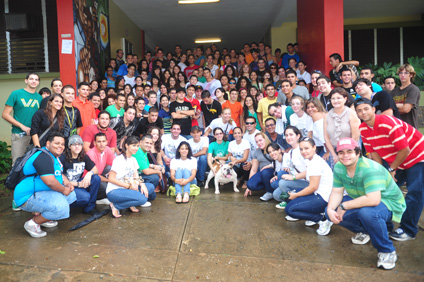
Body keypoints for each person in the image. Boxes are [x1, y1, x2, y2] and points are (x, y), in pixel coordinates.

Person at [326, 138, 406, 270]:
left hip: (388, 202)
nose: (345, 156)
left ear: (358, 153)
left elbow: (374, 200)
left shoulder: (369, 169)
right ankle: (368, 230)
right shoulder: (339, 167)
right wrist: (330, 209)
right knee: (331, 213)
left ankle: (387, 250)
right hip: (362, 199)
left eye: (349, 151)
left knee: (368, 214)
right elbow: (336, 192)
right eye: (341, 152)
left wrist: (343, 206)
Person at [355, 98, 424, 242]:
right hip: (397, 160)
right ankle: (386, 225)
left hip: (417, 156)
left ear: (373, 109)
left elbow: (405, 149)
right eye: (359, 110)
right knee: (384, 190)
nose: (363, 112)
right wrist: (383, 173)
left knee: (414, 193)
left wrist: (392, 169)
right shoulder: (363, 129)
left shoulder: (388, 122)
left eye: (366, 108)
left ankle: (408, 229)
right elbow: (374, 153)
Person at [13, 132, 76, 238]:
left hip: (40, 192)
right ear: (48, 144)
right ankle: (32, 224)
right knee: (61, 207)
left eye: (62, 144)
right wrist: (64, 190)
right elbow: (50, 181)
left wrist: (67, 183)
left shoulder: (53, 156)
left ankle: (45, 217)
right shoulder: (43, 157)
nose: (60, 146)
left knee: (71, 195)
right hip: (26, 196)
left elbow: (59, 174)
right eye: (57, 143)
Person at [284, 137, 334, 236]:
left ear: (314, 148)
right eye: (301, 149)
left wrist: (296, 195)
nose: (303, 151)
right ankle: (313, 215)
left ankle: (322, 220)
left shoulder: (316, 162)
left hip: (323, 198)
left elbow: (313, 187)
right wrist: (293, 177)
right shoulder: (311, 159)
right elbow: (308, 172)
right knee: (286, 196)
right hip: (317, 193)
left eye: (306, 148)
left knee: (290, 209)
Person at [107, 136, 156, 218]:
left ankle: (130, 201)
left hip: (128, 189)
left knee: (150, 187)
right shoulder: (118, 159)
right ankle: (116, 205)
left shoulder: (133, 160)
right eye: (133, 146)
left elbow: (136, 177)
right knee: (142, 199)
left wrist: (142, 184)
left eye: (137, 146)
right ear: (126, 145)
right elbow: (111, 179)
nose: (136, 148)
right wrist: (129, 186)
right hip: (115, 191)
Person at [2, 73, 42, 164]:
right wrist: (22, 126)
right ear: (26, 80)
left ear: (38, 82)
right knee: (17, 164)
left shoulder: (39, 98)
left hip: (35, 136)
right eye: (31, 79)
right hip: (20, 135)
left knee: (33, 164)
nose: (34, 81)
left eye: (36, 79)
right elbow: (5, 114)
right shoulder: (16, 94)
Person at [60, 135, 100, 215]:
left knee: (96, 178)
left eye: (79, 144)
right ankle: (65, 207)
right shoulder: (63, 158)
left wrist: (89, 173)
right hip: (67, 186)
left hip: (78, 182)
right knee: (85, 197)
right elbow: (61, 179)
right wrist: (78, 184)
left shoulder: (83, 156)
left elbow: (96, 170)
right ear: (70, 146)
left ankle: (90, 207)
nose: (77, 146)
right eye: (74, 144)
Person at [271, 126, 308, 208]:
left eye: (291, 135)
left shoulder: (303, 150)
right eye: (286, 135)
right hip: (296, 180)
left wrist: (293, 177)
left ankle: (295, 203)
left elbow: (310, 171)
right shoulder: (289, 153)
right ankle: (294, 197)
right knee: (276, 195)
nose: (288, 137)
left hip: (307, 181)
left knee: (282, 183)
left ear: (298, 136)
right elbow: (286, 169)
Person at [324, 88, 360, 166]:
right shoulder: (326, 116)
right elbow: (326, 138)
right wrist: (334, 155)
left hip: (351, 151)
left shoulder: (351, 113)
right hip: (334, 152)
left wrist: (345, 154)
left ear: (345, 99)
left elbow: (356, 137)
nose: (336, 101)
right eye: (333, 98)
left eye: (339, 98)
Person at [244, 132, 274, 201]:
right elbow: (254, 169)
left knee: (265, 172)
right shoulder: (257, 152)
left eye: (260, 140)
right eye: (257, 142)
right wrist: (248, 187)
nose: (259, 143)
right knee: (251, 185)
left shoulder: (273, 147)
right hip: (263, 173)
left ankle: (270, 192)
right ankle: (268, 186)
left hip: (272, 171)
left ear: (265, 139)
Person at [86, 133, 115, 203]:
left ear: (106, 142)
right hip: (90, 179)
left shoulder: (107, 149)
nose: (101, 144)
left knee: (110, 168)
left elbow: (115, 164)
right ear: (94, 143)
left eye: (103, 141)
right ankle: (98, 199)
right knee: (107, 187)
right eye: (99, 142)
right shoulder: (91, 154)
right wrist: (111, 180)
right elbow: (94, 175)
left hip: (100, 174)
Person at [390, 64, 421, 129]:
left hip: (409, 128)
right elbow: (388, 108)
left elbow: (406, 109)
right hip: (396, 127)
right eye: (400, 73)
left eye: (406, 73)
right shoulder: (394, 91)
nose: (402, 75)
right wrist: (400, 105)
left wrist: (394, 107)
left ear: (411, 75)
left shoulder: (413, 89)